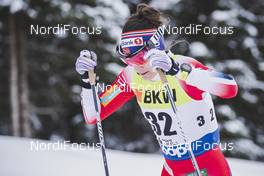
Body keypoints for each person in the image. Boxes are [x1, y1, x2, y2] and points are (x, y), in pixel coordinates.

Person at [75, 3, 237, 176]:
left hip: (207, 166)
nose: (136, 66)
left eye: (140, 58)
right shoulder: (131, 77)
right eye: (128, 60)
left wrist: (178, 71)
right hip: (171, 167)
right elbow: (94, 116)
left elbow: (230, 88)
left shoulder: (184, 67)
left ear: (156, 47)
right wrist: (86, 82)